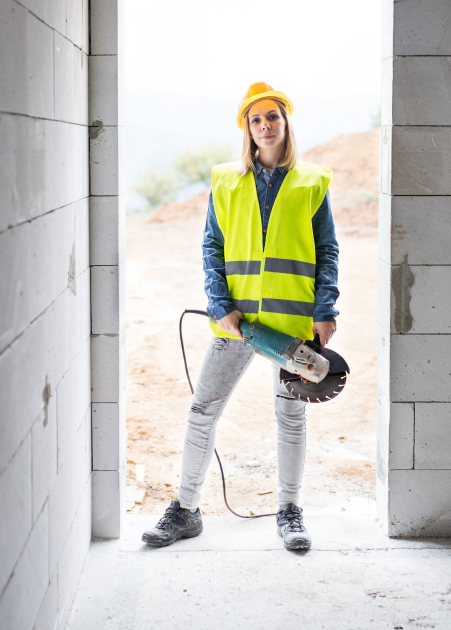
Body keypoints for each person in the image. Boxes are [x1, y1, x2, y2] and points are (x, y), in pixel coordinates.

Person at [142, 82, 339, 551]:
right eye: (256, 119)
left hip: (292, 326)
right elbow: (212, 246)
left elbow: (327, 250)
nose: (265, 125)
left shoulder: (312, 183)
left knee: (290, 417)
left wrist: (325, 309)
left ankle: (290, 511)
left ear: (285, 122)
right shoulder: (226, 182)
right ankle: (186, 510)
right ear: (247, 129)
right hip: (238, 325)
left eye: (273, 116)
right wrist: (219, 304)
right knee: (202, 410)